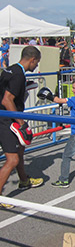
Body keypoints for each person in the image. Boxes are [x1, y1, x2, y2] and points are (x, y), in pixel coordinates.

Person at [0, 46, 44, 208]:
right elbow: (7, 100)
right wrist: (21, 123)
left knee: (20, 150)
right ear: (32, 59)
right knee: (12, 160)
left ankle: (24, 180)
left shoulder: (9, 70)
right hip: (7, 119)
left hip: (6, 116)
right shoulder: (18, 75)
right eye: (36, 63)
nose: (36, 66)